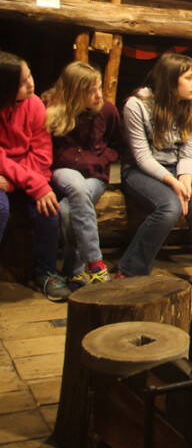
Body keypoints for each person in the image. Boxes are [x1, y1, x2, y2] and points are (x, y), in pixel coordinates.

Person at [119, 53, 192, 281]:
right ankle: (131, 271)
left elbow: (187, 152)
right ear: (170, 79)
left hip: (177, 168)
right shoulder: (136, 105)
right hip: (139, 170)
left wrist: (185, 178)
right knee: (169, 207)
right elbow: (142, 156)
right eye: (189, 78)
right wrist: (173, 183)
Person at [43, 61, 124, 287]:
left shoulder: (107, 110)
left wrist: (99, 160)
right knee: (76, 187)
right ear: (75, 92)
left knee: (68, 211)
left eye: (100, 88)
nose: (99, 95)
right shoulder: (52, 108)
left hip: (95, 177)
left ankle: (72, 270)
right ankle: (96, 264)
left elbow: (117, 145)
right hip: (62, 171)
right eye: (92, 91)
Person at [0, 52, 70, 301]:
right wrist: (29, 182)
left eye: (29, 75)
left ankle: (47, 273)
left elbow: (41, 156)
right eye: (21, 81)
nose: (31, 83)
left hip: (18, 177)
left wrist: (33, 184)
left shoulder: (35, 105)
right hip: (4, 179)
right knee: (0, 208)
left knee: (50, 211)